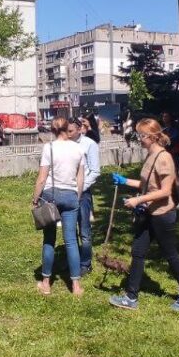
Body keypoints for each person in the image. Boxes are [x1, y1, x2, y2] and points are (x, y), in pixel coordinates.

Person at [108, 117, 179, 311]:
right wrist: (124, 181)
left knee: (170, 254)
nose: (139, 138)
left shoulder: (164, 158)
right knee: (138, 252)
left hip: (163, 214)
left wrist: (138, 200)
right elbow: (147, 185)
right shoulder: (150, 155)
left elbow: (165, 191)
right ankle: (131, 298)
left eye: (142, 135)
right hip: (148, 212)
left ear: (153, 136)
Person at [31, 116, 86, 295]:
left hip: (51, 195)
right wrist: (77, 196)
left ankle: (46, 282)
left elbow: (42, 178)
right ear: (66, 128)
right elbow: (80, 177)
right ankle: (76, 285)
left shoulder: (49, 148)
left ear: (53, 130)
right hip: (71, 195)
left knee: (49, 239)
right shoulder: (78, 148)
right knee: (71, 241)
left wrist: (35, 199)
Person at [70, 117, 101, 275]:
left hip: (83, 194)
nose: (68, 134)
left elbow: (95, 171)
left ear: (79, 128)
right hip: (67, 192)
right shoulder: (64, 144)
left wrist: (81, 188)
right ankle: (73, 261)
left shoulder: (89, 144)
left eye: (70, 131)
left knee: (84, 230)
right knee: (70, 230)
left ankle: (85, 264)